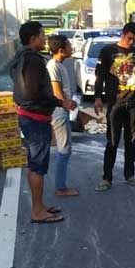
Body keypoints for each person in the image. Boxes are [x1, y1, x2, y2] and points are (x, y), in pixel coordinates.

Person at [10, 21, 75, 223]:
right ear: (33, 38)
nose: (44, 39)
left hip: (30, 116)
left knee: (35, 164)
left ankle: (39, 205)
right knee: (38, 166)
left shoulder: (20, 57)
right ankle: (37, 211)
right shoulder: (33, 61)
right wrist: (60, 103)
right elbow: (34, 92)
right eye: (42, 35)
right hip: (35, 118)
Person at [93, 21, 135, 191]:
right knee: (112, 142)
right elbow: (100, 75)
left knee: (131, 141)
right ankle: (107, 178)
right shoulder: (108, 51)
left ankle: (129, 175)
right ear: (123, 34)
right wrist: (98, 97)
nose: (131, 42)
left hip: (134, 103)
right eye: (129, 38)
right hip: (115, 104)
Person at [46, 34, 79, 197]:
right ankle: (60, 187)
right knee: (64, 148)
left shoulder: (60, 65)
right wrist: (66, 103)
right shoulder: (53, 66)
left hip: (62, 109)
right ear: (61, 50)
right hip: (58, 111)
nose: (71, 48)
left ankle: (61, 185)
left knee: (65, 147)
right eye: (68, 45)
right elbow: (56, 91)